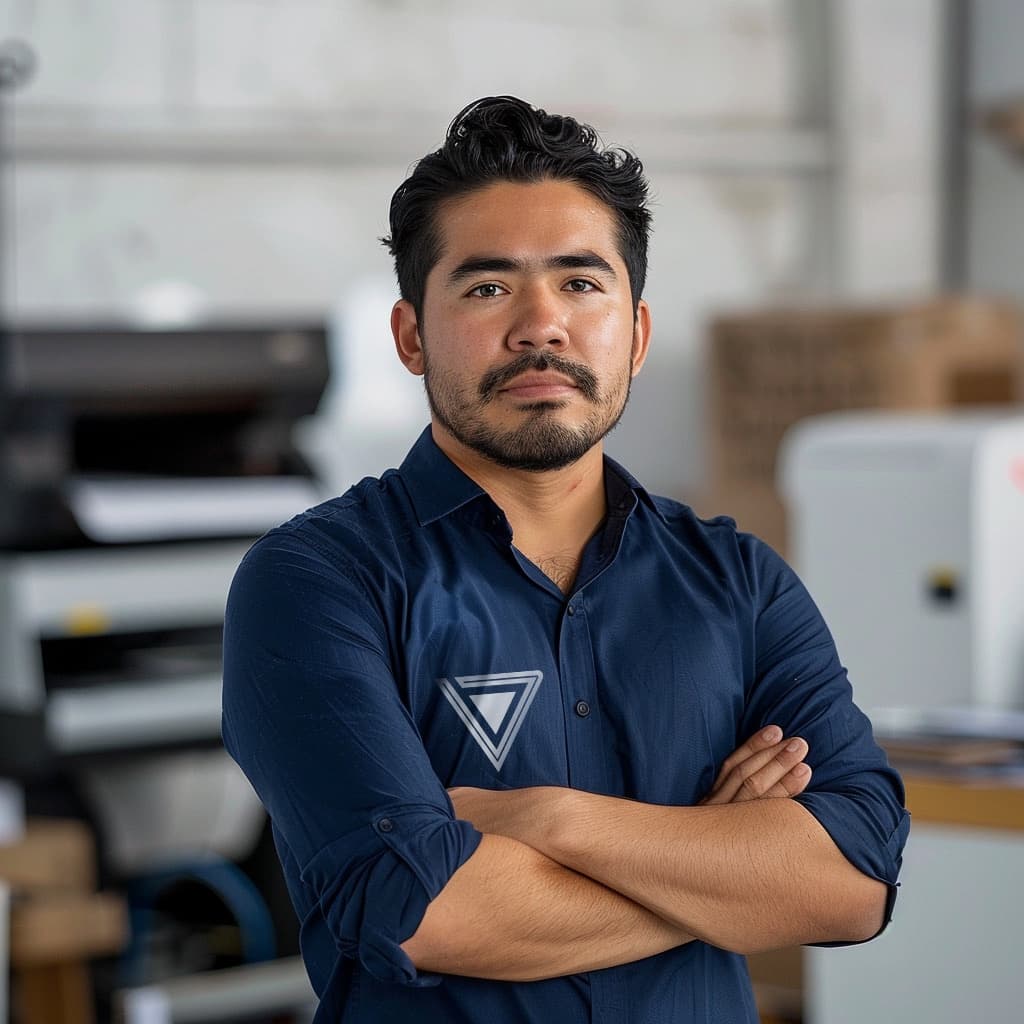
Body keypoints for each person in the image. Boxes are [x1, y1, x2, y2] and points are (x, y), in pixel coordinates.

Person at [222, 96, 909, 1023]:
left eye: (582, 284)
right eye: (487, 287)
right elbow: (422, 910)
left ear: (638, 333)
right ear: (411, 337)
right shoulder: (317, 583)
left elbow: (855, 881)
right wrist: (723, 865)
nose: (541, 325)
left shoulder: (739, 582)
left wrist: (553, 820)